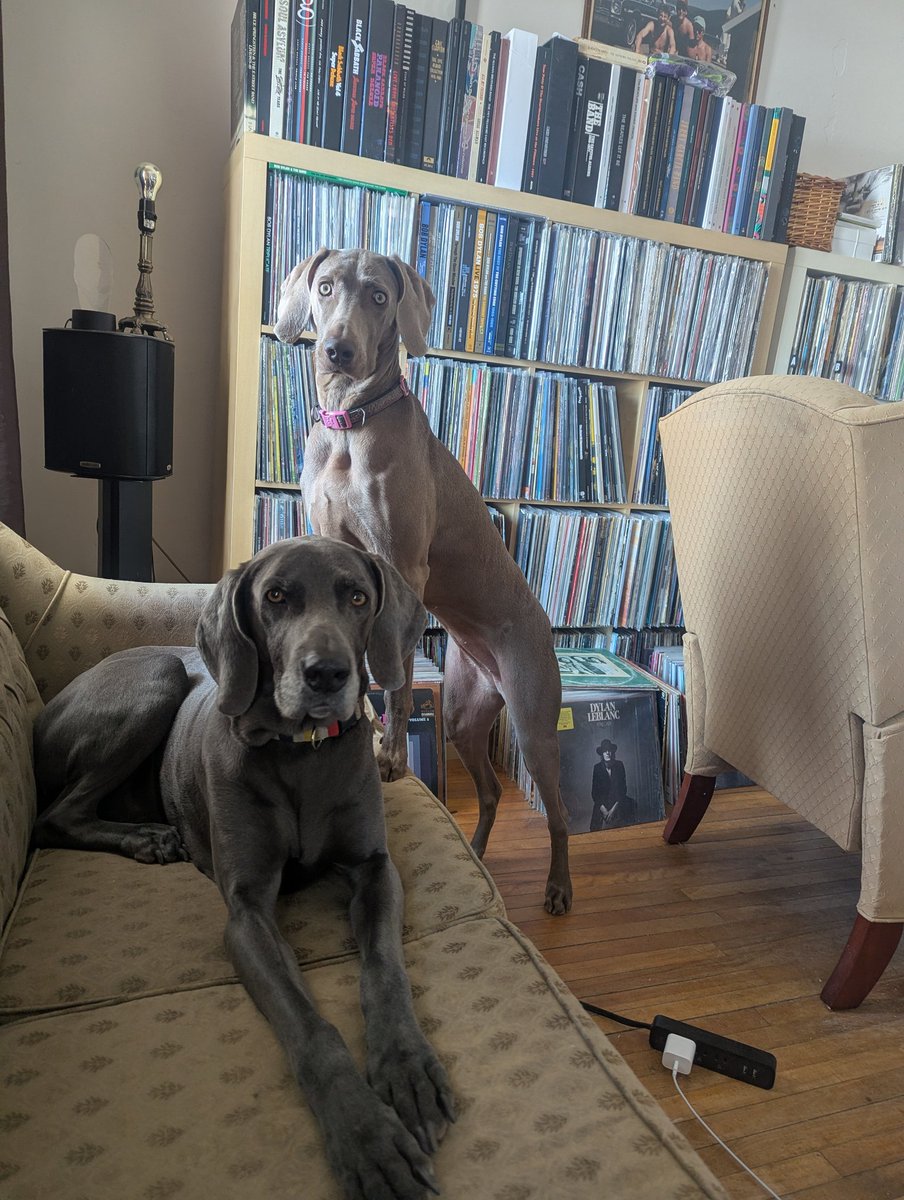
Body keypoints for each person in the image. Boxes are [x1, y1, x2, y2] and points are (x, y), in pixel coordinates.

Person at [590, 740, 628, 832]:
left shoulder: (619, 765)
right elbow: (594, 793)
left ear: (612, 752)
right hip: (602, 804)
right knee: (594, 828)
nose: (607, 753)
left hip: (616, 802)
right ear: (602, 754)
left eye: (609, 750)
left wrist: (612, 810)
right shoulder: (597, 768)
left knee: (625, 824)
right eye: (605, 751)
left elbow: (623, 790)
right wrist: (604, 811)